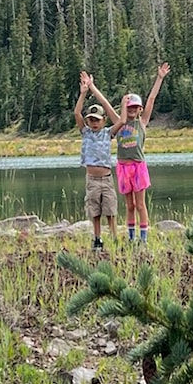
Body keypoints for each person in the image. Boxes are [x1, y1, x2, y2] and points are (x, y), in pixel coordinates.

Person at [114, 62, 169, 244]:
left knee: (140, 204)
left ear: (139, 109)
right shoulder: (119, 123)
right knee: (129, 205)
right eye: (128, 107)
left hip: (138, 167)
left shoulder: (142, 122)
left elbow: (151, 99)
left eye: (134, 108)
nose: (131, 110)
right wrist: (90, 87)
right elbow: (105, 104)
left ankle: (143, 239)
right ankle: (131, 237)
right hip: (123, 167)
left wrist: (159, 78)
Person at [74, 71, 119, 251]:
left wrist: (94, 88)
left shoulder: (108, 133)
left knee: (110, 210)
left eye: (97, 120)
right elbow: (76, 112)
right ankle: (97, 238)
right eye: (91, 120)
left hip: (106, 178)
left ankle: (114, 237)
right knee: (95, 210)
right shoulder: (85, 133)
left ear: (103, 121)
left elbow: (122, 120)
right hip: (92, 180)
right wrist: (84, 92)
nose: (94, 123)